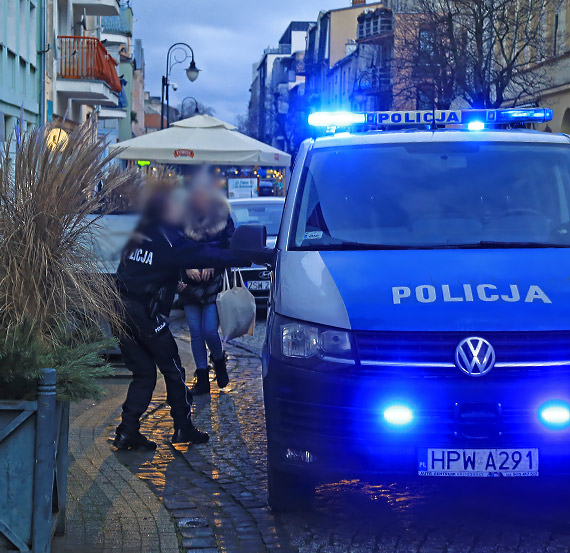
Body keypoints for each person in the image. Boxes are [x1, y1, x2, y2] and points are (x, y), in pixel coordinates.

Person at [113, 185, 249, 451]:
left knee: (143, 373)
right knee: (173, 369)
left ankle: (127, 431)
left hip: (119, 311)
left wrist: (177, 281)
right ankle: (182, 427)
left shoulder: (139, 235)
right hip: (145, 313)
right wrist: (251, 255)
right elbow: (206, 254)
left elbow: (143, 269)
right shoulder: (169, 239)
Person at [178, 184, 234, 395]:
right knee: (195, 332)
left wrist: (213, 262)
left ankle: (219, 360)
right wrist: (186, 266)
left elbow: (230, 244)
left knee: (209, 330)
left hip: (214, 281)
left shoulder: (222, 217)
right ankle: (202, 378)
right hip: (190, 283)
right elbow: (174, 245)